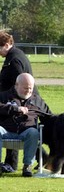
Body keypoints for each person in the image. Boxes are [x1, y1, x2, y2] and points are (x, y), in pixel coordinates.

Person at [0, 73, 51, 177]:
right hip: (6, 131)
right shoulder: (4, 96)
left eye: (31, 88)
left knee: (33, 132)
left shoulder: (37, 101)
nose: (28, 91)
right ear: (16, 85)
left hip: (26, 133)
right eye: (25, 88)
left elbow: (49, 117)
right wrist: (14, 109)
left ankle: (27, 166)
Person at [0, 31, 37, 171]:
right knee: (11, 129)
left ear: (7, 44)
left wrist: (13, 103)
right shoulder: (13, 56)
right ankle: (11, 164)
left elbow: (20, 84)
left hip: (20, 102)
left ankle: (43, 158)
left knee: (18, 130)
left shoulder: (14, 59)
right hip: (14, 101)